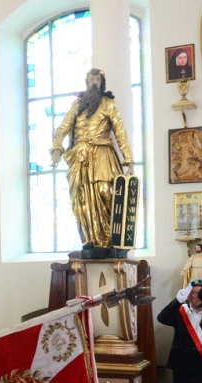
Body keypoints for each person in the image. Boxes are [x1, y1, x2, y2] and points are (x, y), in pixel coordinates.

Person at [50, 69, 134, 251]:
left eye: (98, 79)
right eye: (91, 79)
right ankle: (89, 240)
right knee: (81, 199)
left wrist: (129, 161)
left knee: (106, 192)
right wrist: (56, 149)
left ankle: (110, 240)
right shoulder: (77, 106)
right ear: (86, 82)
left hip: (102, 153)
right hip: (80, 157)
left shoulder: (108, 104)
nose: (94, 82)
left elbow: (120, 132)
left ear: (102, 82)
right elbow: (62, 128)